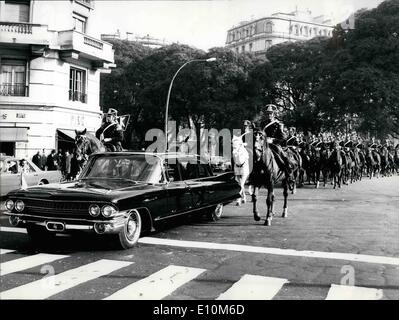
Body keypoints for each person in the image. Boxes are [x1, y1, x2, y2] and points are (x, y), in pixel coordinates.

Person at [254, 104, 293, 179]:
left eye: (271, 113)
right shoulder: (263, 123)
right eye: (268, 113)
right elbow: (259, 134)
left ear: (274, 114)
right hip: (263, 144)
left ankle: (288, 171)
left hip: (274, 144)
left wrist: (273, 140)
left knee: (282, 155)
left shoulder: (278, 124)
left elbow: (283, 138)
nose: (269, 115)